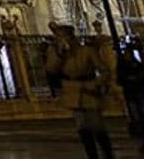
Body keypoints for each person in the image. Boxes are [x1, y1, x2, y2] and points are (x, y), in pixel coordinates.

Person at [46, 23, 116, 159]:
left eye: (65, 37)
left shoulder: (86, 51)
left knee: (97, 125)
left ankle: (108, 153)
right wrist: (59, 54)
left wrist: (96, 84)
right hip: (73, 91)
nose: (63, 41)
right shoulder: (57, 53)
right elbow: (51, 70)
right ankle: (92, 155)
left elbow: (104, 70)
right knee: (82, 126)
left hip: (89, 90)